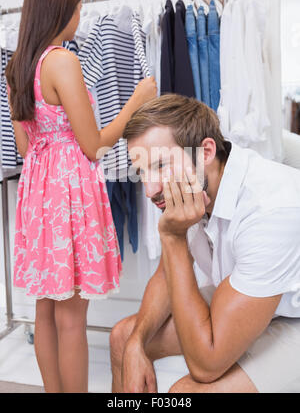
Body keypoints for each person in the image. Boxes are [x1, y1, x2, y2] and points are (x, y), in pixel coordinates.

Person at [6, 0, 157, 393]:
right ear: (61, 10)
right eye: (77, 7)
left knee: (45, 308)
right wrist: (135, 102)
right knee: (72, 316)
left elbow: (23, 146)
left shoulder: (18, 66)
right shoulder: (62, 61)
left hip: (38, 191)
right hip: (68, 191)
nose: (79, 15)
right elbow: (94, 144)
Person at [110, 94, 300, 394]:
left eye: (161, 165)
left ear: (206, 151)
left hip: (294, 318)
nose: (150, 190)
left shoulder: (269, 208)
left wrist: (172, 237)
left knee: (186, 393)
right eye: (143, 172)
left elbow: (206, 366)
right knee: (123, 337)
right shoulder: (196, 182)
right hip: (254, 294)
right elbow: (166, 274)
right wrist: (136, 343)